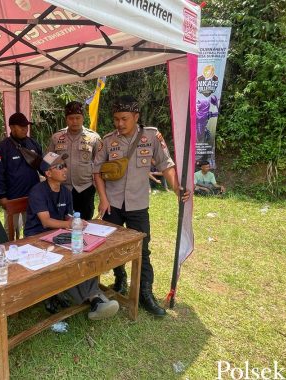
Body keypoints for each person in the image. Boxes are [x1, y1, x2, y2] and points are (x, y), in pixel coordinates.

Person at [93, 95, 189, 317]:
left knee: (143, 251)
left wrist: (176, 189)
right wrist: (104, 198)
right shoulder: (108, 141)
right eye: (116, 118)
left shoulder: (151, 136)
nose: (119, 123)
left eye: (124, 118)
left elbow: (166, 164)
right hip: (113, 204)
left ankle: (146, 293)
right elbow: (96, 171)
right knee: (112, 248)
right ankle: (120, 280)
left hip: (138, 205)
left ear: (136, 116)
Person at [25, 152, 120, 320]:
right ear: (48, 173)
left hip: (58, 236)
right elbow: (46, 221)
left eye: (65, 165)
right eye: (60, 167)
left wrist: (76, 220)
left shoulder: (66, 191)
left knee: (82, 253)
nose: (65, 169)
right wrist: (69, 224)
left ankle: (94, 299)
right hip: (37, 238)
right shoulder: (37, 192)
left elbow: (68, 215)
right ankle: (95, 298)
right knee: (67, 260)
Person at [0, 112, 43, 237]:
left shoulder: (33, 144)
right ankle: (9, 253)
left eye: (26, 126)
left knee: (31, 229)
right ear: (12, 127)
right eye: (21, 127)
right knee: (10, 230)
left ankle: (30, 254)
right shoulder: (2, 148)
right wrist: (1, 196)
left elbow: (43, 166)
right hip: (12, 198)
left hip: (32, 196)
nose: (25, 129)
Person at [48, 101, 102, 220]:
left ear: (83, 118)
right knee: (62, 220)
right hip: (62, 188)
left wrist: (95, 185)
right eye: (71, 118)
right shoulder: (56, 137)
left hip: (85, 188)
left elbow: (100, 163)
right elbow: (48, 161)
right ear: (66, 119)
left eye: (78, 118)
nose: (75, 121)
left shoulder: (93, 138)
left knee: (86, 222)